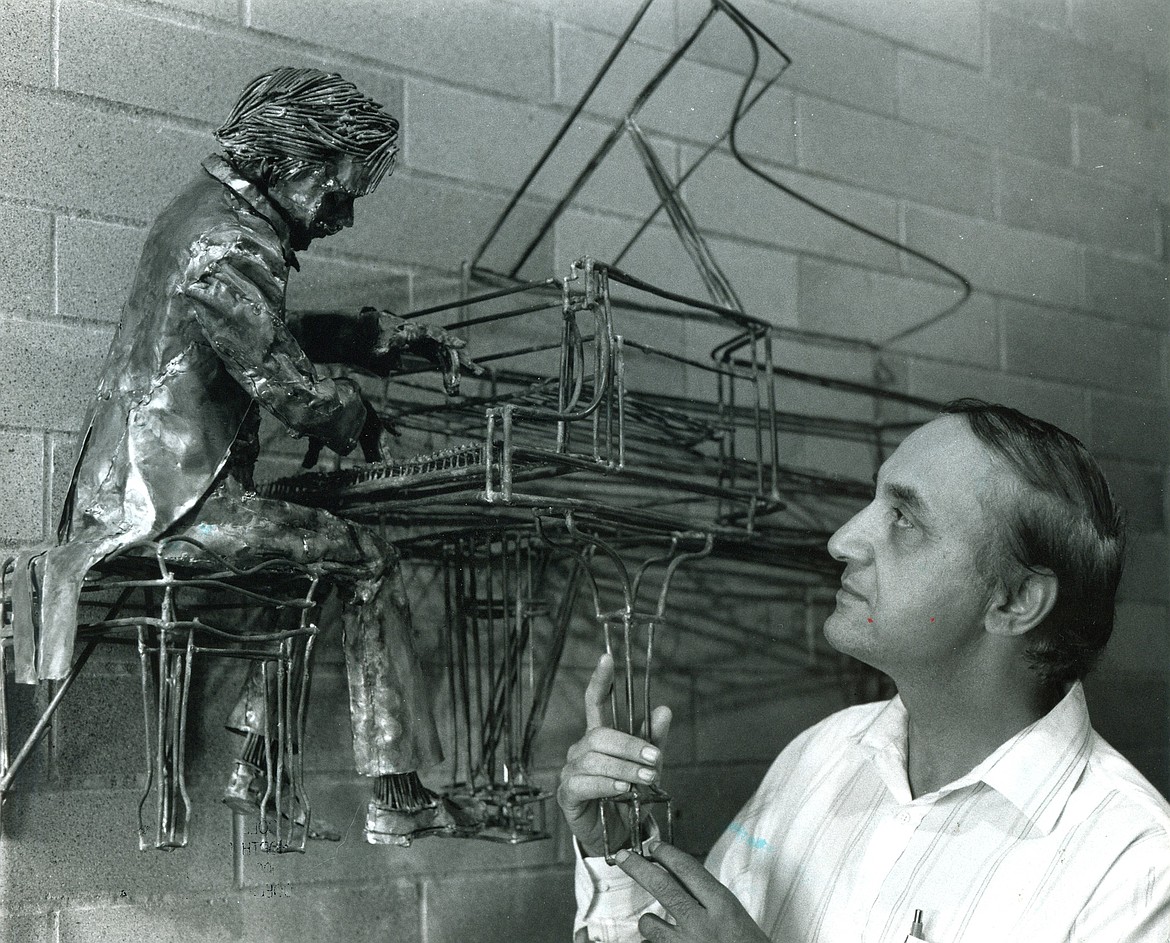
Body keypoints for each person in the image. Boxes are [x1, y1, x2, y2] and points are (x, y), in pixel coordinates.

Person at [22, 67, 473, 844]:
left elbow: (256, 329)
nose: (345, 214)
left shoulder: (211, 215)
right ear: (295, 160)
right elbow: (290, 386)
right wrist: (356, 411)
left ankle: (256, 762)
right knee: (367, 556)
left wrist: (371, 339)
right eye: (338, 191)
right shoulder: (228, 241)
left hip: (143, 488)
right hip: (163, 505)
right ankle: (394, 796)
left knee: (307, 536)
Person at [559, 398, 1170, 941]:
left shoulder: (1136, 872)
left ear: (1014, 602)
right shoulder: (821, 755)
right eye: (873, 502)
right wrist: (619, 851)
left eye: (904, 519)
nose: (843, 541)